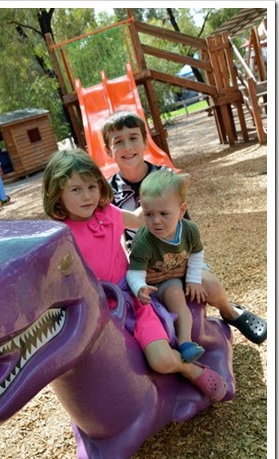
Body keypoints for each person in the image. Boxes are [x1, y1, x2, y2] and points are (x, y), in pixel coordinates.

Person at [42, 148, 227, 402]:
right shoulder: (60, 235)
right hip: (98, 312)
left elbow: (141, 220)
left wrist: (171, 187)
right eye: (76, 190)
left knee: (161, 359)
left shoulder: (108, 214)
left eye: (92, 187)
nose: (87, 196)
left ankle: (189, 368)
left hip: (133, 299)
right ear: (57, 194)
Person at [101, 110, 267, 345]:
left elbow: (185, 225)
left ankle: (230, 311)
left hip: (180, 253)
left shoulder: (166, 177)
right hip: (147, 264)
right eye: (118, 142)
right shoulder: (109, 193)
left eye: (133, 137)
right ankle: (182, 344)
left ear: (145, 141)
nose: (127, 147)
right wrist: (137, 270)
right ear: (109, 151)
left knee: (208, 285)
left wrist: (187, 271)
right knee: (164, 301)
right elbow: (115, 235)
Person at [127, 169, 207, 363]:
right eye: (148, 214)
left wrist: (194, 279)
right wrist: (140, 287)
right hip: (155, 284)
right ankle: (177, 343)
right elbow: (134, 273)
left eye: (164, 213)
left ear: (181, 211)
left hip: (172, 276)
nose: (156, 221)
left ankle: (187, 342)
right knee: (168, 301)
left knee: (189, 295)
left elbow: (197, 252)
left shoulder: (189, 230)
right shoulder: (144, 242)